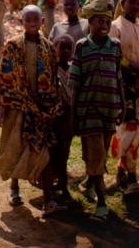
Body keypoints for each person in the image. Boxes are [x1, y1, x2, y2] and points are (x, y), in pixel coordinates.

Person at [0, 5, 65, 215]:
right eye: (27, 20)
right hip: (18, 108)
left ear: (42, 22)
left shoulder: (49, 48)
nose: (32, 24)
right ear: (22, 22)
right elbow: (3, 79)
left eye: (35, 20)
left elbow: (52, 79)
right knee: (16, 148)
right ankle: (14, 188)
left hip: (41, 110)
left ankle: (48, 200)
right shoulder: (12, 46)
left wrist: (52, 107)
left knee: (44, 153)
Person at [68, 0, 125, 222]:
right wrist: (73, 114)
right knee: (95, 155)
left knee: (99, 155)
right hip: (88, 110)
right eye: (99, 21)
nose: (103, 26)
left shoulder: (115, 47)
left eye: (107, 22)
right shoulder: (81, 47)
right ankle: (102, 204)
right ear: (89, 23)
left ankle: (90, 183)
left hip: (110, 109)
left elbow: (119, 78)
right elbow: (74, 84)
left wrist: (122, 105)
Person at [110, 0, 139, 196]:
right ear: (123, 3)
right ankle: (131, 178)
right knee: (126, 133)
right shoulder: (115, 27)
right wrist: (137, 69)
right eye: (132, 1)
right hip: (122, 88)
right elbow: (113, 57)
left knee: (135, 133)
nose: (136, 6)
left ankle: (123, 172)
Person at [51, 34, 76, 202]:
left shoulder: (74, 69)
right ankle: (56, 182)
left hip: (70, 115)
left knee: (65, 150)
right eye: (62, 47)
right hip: (55, 115)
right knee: (55, 150)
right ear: (55, 48)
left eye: (69, 48)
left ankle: (62, 182)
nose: (65, 51)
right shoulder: (51, 68)